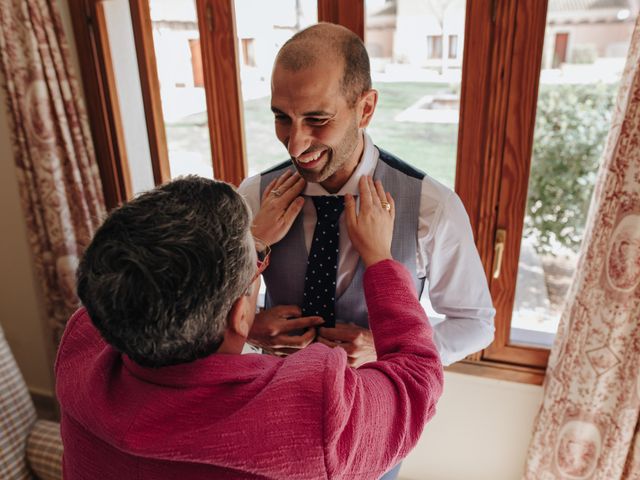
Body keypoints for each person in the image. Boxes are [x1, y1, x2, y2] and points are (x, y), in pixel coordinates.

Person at [55, 175, 444, 479]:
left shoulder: (83, 343)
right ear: (242, 315)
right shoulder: (315, 420)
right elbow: (417, 378)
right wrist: (380, 260)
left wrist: (252, 244)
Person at [240, 23, 494, 368]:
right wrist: (249, 328)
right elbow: (211, 311)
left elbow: (474, 323)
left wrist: (391, 346)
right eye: (282, 117)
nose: (295, 145)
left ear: (366, 109)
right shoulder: (253, 197)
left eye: (317, 119)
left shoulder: (433, 207)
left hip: (380, 409)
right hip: (278, 406)